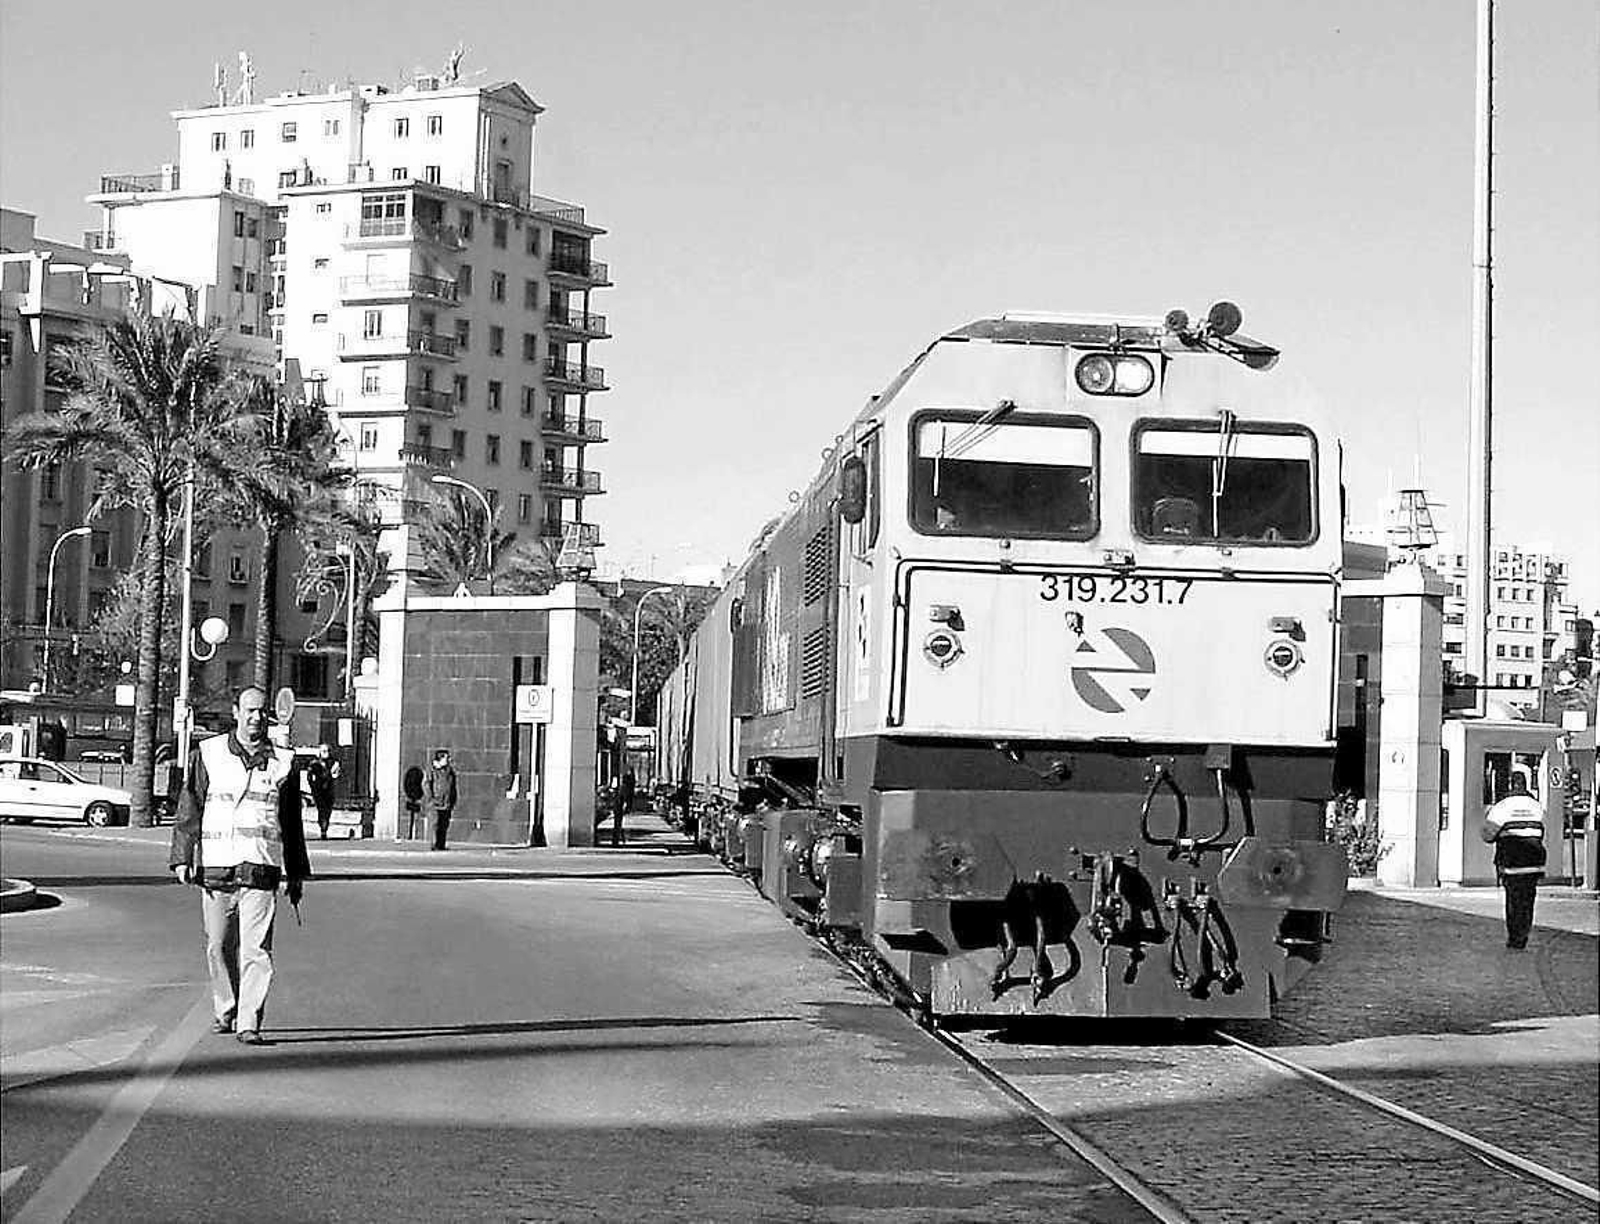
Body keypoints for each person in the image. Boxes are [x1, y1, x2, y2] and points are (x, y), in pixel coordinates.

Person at [168, 685, 310, 1045]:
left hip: (261, 869)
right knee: (218, 947)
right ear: (236, 713)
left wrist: (295, 872)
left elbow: (291, 823)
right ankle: (227, 1008)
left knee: (256, 951)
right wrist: (182, 856)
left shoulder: (283, 762)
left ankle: (249, 1022)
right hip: (217, 870)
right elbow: (190, 807)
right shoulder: (209, 754)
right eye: (250, 710)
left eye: (262, 711)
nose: (256, 717)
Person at [1480, 773, 1547, 950]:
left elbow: (1488, 835)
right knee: (1528, 900)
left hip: (1511, 862)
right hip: (1533, 862)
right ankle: (1523, 934)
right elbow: (1543, 831)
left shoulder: (1502, 807)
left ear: (1510, 785)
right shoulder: (1537, 806)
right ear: (1526, 785)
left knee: (1513, 900)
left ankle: (1515, 937)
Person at [303, 744, 340, 840]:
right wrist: (313, 786)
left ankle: (325, 826)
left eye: (328, 751)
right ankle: (323, 828)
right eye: (324, 751)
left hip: (329, 789)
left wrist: (333, 776)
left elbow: (336, 775)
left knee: (328, 809)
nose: (326, 753)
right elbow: (309, 776)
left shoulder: (333, 763)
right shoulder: (314, 764)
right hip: (318, 790)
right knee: (321, 808)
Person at [425, 749, 458, 851]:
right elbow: (426, 785)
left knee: (444, 824)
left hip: (446, 802)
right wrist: (431, 798)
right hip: (435, 802)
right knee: (435, 823)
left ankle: (441, 844)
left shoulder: (450, 772)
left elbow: (453, 787)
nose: (448, 760)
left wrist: (453, 799)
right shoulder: (432, 770)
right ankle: (434, 844)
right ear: (440, 759)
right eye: (446, 758)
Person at [611, 769, 636, 847]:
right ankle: (616, 840)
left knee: (617, 824)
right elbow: (624, 798)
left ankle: (616, 840)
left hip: (618, 807)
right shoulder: (625, 788)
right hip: (619, 807)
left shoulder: (622, 787)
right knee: (618, 824)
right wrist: (625, 805)